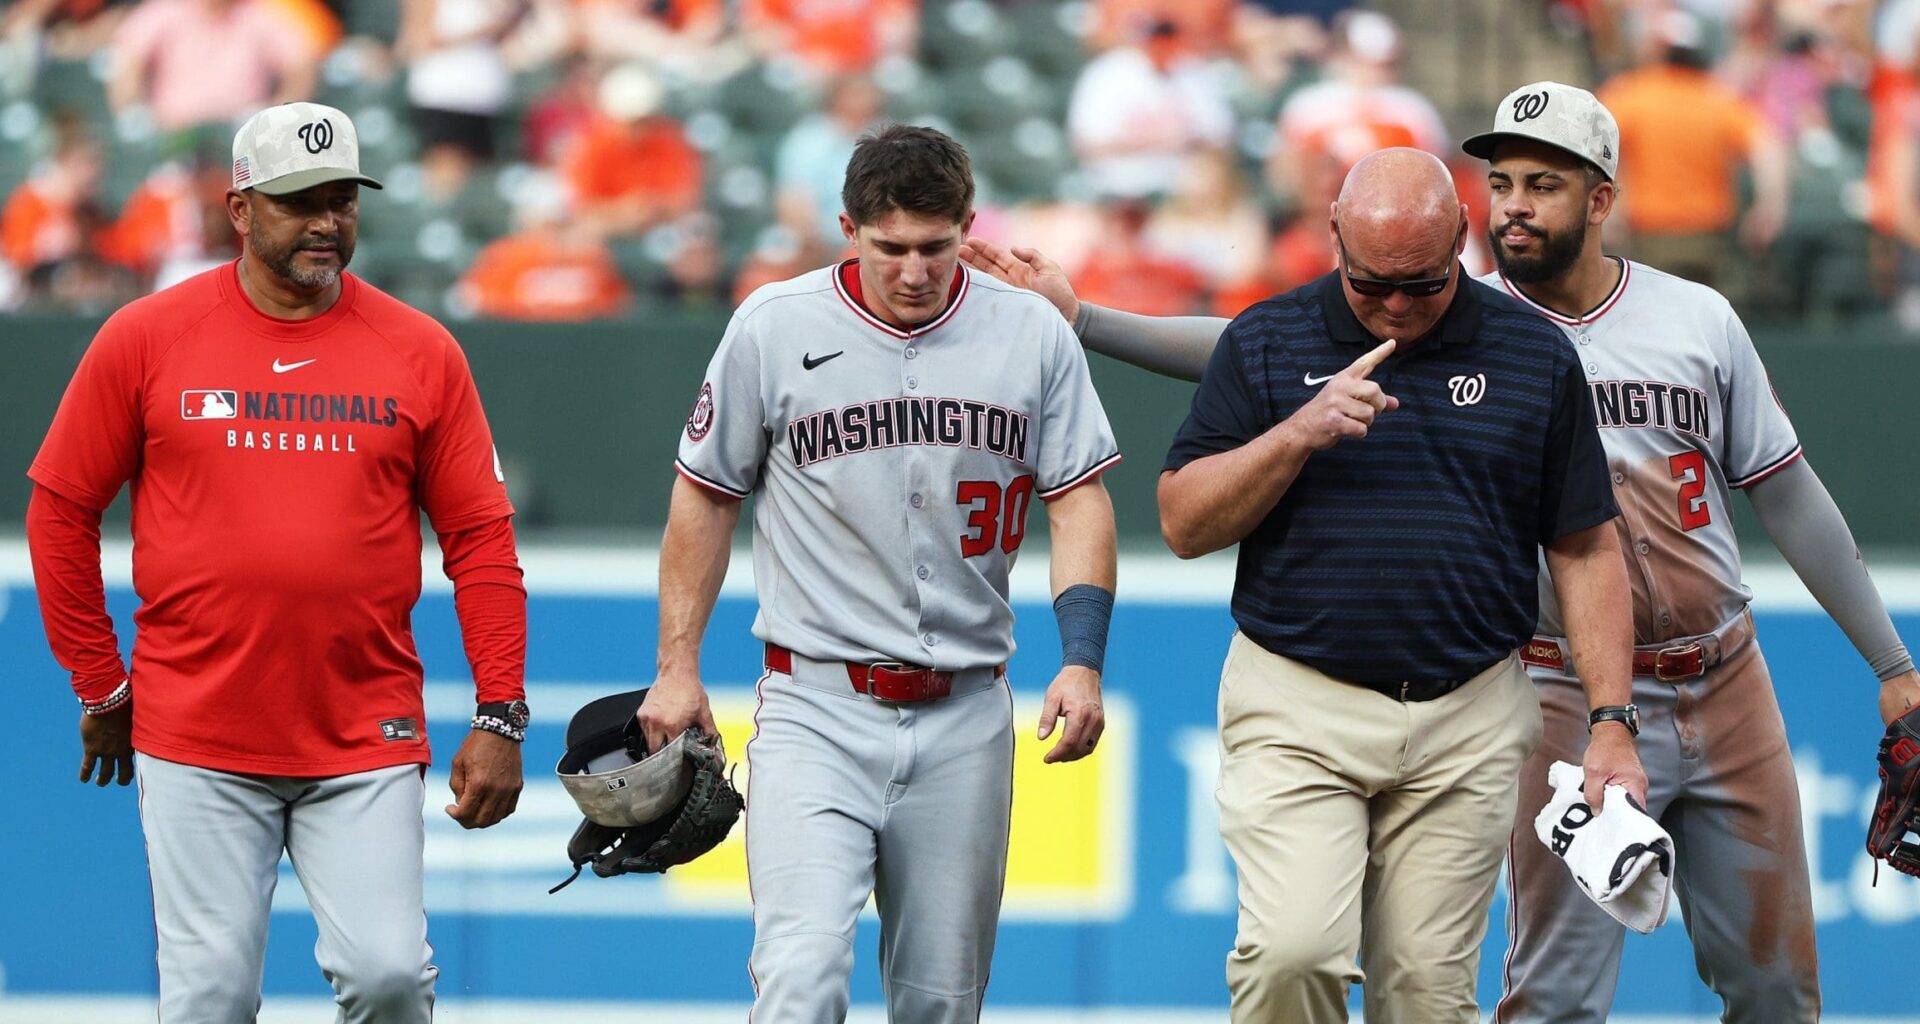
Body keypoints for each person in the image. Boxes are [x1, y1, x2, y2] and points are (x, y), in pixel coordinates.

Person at [960, 82, 1920, 1024]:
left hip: (1716, 668)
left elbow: (1783, 493)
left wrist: (1889, 663)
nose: (1516, 206)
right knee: (1547, 991)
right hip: (1551, 675)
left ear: (1599, 200)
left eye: (1543, 184)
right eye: (1502, 183)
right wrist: (1088, 321)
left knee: (1775, 989)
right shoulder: (1441, 308)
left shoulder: (1677, 321)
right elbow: (1253, 346)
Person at [25, 101, 529, 1022]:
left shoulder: (422, 350)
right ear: (241, 209)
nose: (326, 222)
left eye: (342, 200)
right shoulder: (146, 336)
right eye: (300, 202)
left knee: (388, 978)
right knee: (210, 998)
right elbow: (60, 511)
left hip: (364, 726)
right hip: (197, 729)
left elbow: (482, 541)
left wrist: (501, 710)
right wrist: (99, 685)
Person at [639, 124, 1122, 1023]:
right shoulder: (774, 325)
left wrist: (1082, 658)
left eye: (936, 246)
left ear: (969, 227)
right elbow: (705, 494)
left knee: (941, 1003)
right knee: (800, 984)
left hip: (966, 710)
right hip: (815, 704)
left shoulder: (1031, 331)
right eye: (889, 247)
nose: (913, 270)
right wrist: (677, 666)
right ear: (847, 230)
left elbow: (1079, 498)